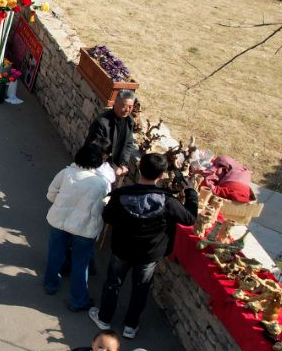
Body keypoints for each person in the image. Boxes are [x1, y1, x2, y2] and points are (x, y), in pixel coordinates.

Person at [90, 153, 197, 338]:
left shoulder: (122, 196)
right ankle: (130, 326)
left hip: (122, 249)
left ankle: (104, 317)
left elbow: (107, 217)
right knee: (141, 288)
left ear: (139, 168)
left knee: (113, 283)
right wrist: (191, 192)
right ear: (162, 175)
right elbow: (189, 219)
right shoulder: (168, 201)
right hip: (149, 254)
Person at [43, 143, 112, 312]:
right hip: (84, 229)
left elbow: (50, 194)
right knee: (81, 264)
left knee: (55, 253)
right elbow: (103, 207)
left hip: (59, 222)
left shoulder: (65, 173)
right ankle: (78, 299)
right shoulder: (102, 183)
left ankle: (50, 284)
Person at [84, 90, 137, 176]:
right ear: (115, 103)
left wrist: (123, 163)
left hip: (111, 170)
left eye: (130, 107)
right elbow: (96, 149)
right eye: (124, 106)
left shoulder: (129, 121)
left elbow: (128, 143)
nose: (127, 110)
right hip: (94, 168)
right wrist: (113, 167)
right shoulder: (101, 123)